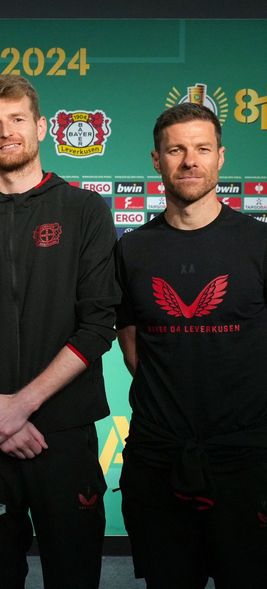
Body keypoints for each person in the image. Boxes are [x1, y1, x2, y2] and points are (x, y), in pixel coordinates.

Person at [0, 75, 119, 589]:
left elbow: (99, 323)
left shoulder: (85, 211)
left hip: (64, 438)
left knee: (74, 578)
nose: (6, 132)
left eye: (16, 119)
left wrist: (22, 404)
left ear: (41, 126)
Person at [115, 102, 267, 587]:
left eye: (202, 149)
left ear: (221, 156)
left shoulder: (258, 243)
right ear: (156, 161)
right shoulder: (132, 249)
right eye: (176, 150)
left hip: (246, 462)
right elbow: (133, 347)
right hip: (158, 460)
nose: (189, 161)